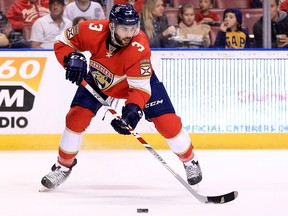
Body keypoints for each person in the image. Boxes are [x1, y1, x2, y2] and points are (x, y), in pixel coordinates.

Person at [40, 4, 202, 190]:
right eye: (124, 28)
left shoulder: (139, 47)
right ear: (111, 26)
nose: (129, 33)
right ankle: (62, 167)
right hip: (100, 77)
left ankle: (190, 161)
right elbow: (62, 42)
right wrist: (70, 59)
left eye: (133, 27)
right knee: (75, 117)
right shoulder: (91, 29)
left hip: (137, 83)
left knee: (167, 122)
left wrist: (132, 111)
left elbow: (140, 89)